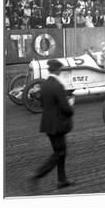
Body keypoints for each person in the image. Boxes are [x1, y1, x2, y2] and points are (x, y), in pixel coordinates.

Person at [32, 60, 75, 189]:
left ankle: (62, 180)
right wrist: (71, 105)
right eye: (60, 69)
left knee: (60, 152)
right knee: (60, 153)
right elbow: (66, 108)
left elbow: (43, 105)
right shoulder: (58, 85)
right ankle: (38, 174)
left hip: (47, 124)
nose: (60, 71)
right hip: (58, 125)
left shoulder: (44, 85)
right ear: (57, 70)